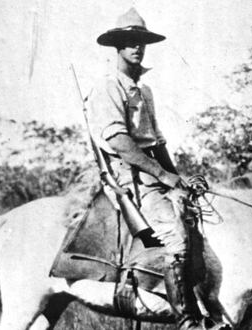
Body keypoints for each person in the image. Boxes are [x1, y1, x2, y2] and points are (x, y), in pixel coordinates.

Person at [87, 8, 203, 330]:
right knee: (175, 238)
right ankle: (187, 320)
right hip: (130, 175)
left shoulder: (145, 91)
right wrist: (162, 176)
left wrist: (176, 177)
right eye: (129, 42)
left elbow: (158, 141)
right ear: (117, 47)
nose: (137, 48)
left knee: (198, 214)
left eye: (141, 42)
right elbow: (121, 142)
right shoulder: (109, 86)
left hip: (151, 170)